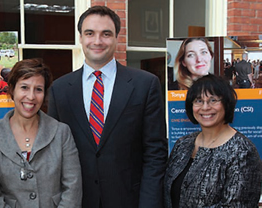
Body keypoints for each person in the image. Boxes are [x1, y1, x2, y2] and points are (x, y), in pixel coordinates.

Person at [48, 6, 167, 208]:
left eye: (106, 34)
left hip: (129, 200)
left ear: (117, 38)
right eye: (90, 33)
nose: (97, 41)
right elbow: (54, 155)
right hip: (77, 202)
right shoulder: (60, 89)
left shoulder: (145, 84)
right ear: (80, 38)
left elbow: (155, 153)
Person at [0, 58, 82, 207]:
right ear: (12, 89)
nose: (31, 96)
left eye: (38, 89)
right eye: (24, 87)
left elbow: (73, 187)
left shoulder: (61, 133)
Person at [164, 74, 262, 207]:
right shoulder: (183, 144)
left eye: (213, 100)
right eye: (198, 100)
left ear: (226, 104)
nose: (205, 107)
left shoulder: (243, 151)